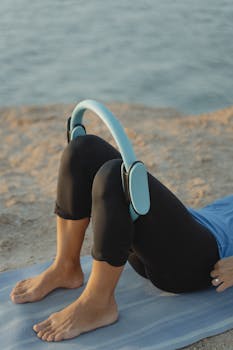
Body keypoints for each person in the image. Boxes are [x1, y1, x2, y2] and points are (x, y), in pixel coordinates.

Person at [10, 134, 233, 342]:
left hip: (200, 258)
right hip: (188, 227)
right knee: (83, 149)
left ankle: (98, 303)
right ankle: (65, 266)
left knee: (117, 176)